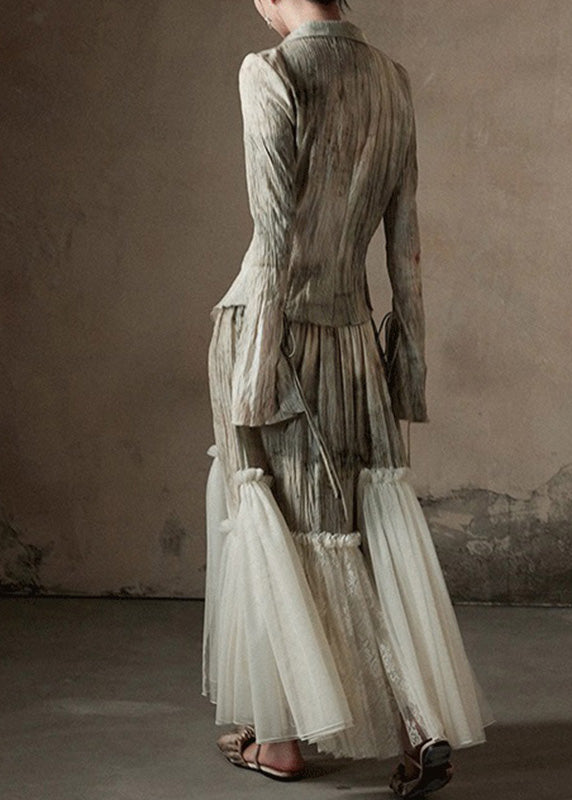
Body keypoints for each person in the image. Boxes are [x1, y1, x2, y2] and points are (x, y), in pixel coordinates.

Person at [202, 0, 495, 796]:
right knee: (361, 525)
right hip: (354, 337)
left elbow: (273, 236)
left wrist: (256, 371)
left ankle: (281, 741)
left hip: (273, 329)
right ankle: (418, 726)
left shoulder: (271, 71)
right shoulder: (391, 81)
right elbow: (406, 244)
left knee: (274, 521)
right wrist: (409, 365)